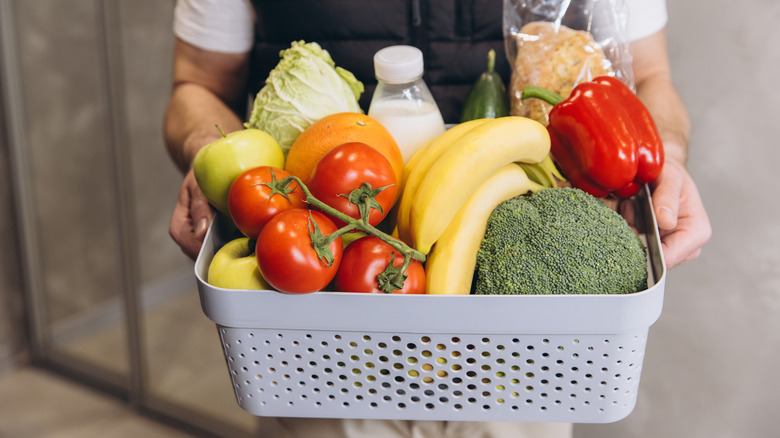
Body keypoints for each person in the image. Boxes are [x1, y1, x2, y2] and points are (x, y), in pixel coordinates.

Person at [164, 1, 711, 436]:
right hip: (327, 335)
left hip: (525, 343)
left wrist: (672, 158)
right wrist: (201, 152)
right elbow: (197, 83)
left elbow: (653, 74)